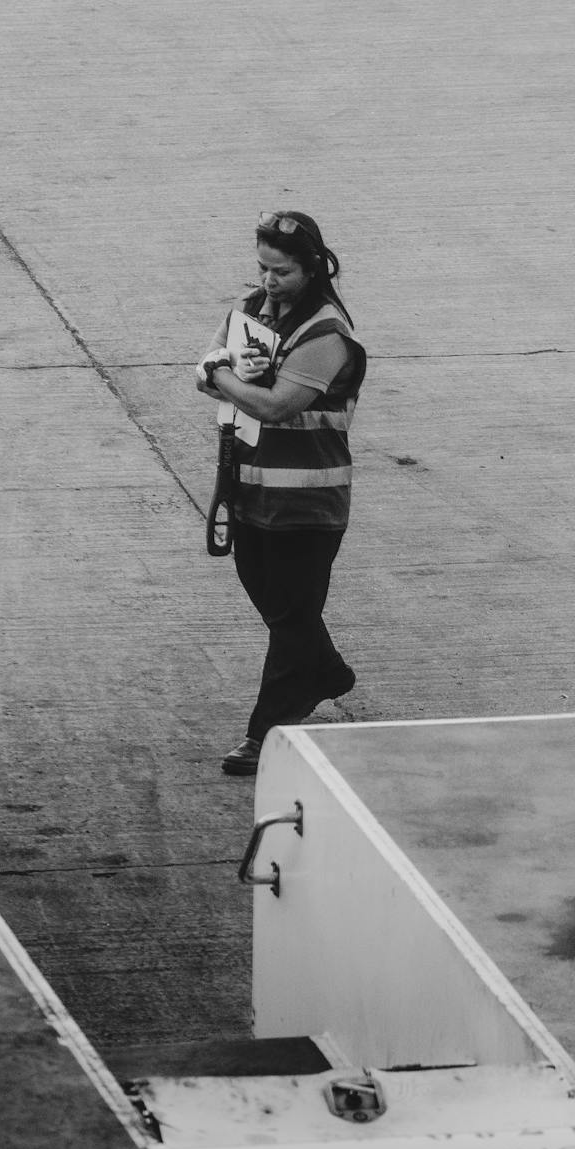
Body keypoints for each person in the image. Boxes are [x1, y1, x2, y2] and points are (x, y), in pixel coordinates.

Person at [197, 210, 367, 776]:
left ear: (312, 269)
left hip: (306, 501)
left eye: (283, 273)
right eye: (263, 269)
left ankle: (265, 730)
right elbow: (205, 361)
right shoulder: (248, 309)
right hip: (248, 488)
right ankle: (327, 672)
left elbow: (275, 405)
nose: (268, 283)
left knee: (292, 616)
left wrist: (224, 376)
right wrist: (221, 368)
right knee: (277, 606)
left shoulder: (326, 334)